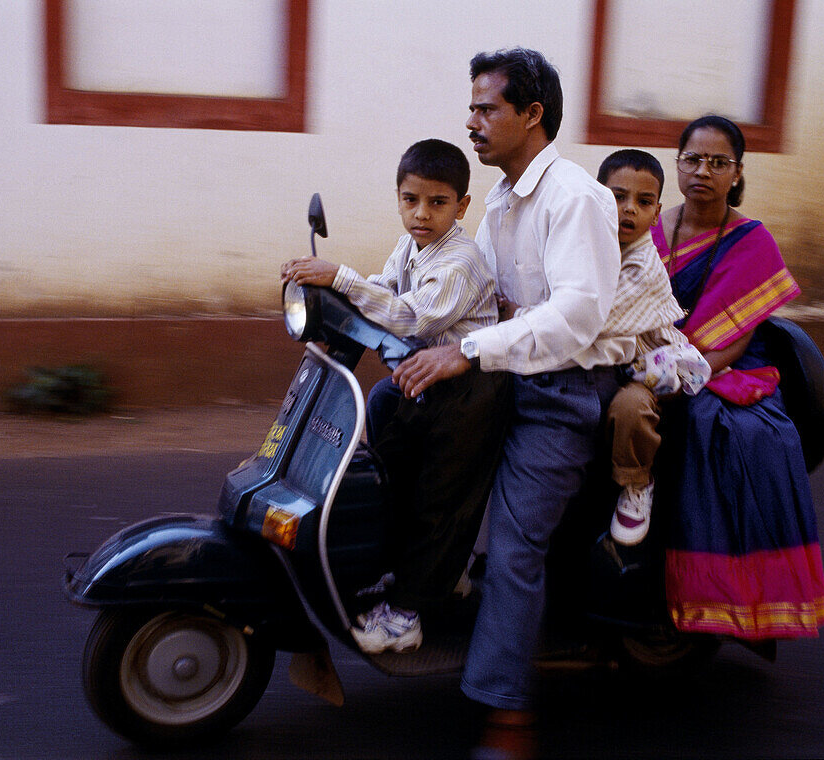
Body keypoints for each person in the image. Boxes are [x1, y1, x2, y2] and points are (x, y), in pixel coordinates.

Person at [390, 48, 630, 758]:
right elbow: (464, 289)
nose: (472, 122)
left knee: (519, 543)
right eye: (471, 108)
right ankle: (420, 590)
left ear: (532, 114)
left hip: (562, 391)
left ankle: (507, 712)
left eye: (486, 108)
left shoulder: (575, 198)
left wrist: (464, 353)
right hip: (504, 375)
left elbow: (578, 316)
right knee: (391, 427)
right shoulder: (495, 199)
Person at [280, 138, 510, 655]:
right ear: (399, 198)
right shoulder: (411, 246)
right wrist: (329, 296)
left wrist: (339, 276)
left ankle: (407, 616)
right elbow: (385, 289)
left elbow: (412, 316)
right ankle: (433, 574)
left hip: (467, 392)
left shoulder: (462, 262)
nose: (421, 214)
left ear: (461, 206)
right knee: (392, 478)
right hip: (422, 382)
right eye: (411, 201)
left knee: (440, 498)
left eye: (437, 202)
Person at [652, 115, 824, 640]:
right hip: (646, 358)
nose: (703, 171)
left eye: (718, 162)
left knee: (742, 438)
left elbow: (735, 340)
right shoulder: (652, 227)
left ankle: (739, 595)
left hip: (716, 367)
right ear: (677, 165)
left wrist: (684, 370)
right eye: (692, 159)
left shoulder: (752, 242)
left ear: (737, 172)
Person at [595, 149, 711, 545]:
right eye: (617, 197)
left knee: (631, 407)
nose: (629, 211)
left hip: (650, 365)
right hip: (611, 356)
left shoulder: (643, 263)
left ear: (657, 211)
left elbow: (597, 321)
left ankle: (635, 482)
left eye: (643, 202)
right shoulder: (589, 243)